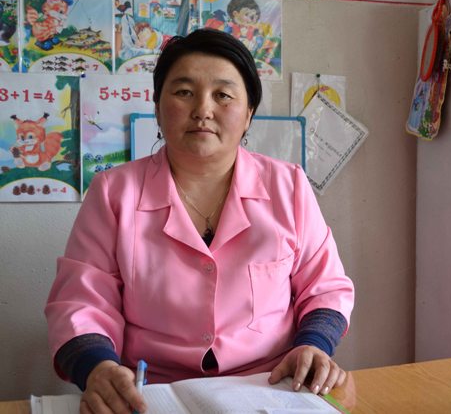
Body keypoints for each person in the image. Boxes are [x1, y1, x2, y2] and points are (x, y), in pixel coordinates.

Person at [45, 28, 355, 413]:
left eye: (223, 95)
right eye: (184, 92)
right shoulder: (114, 193)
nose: (203, 110)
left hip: (271, 387)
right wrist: (97, 367)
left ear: (249, 114)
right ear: (158, 107)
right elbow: (81, 300)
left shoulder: (287, 186)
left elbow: (324, 287)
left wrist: (313, 345)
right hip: (151, 392)